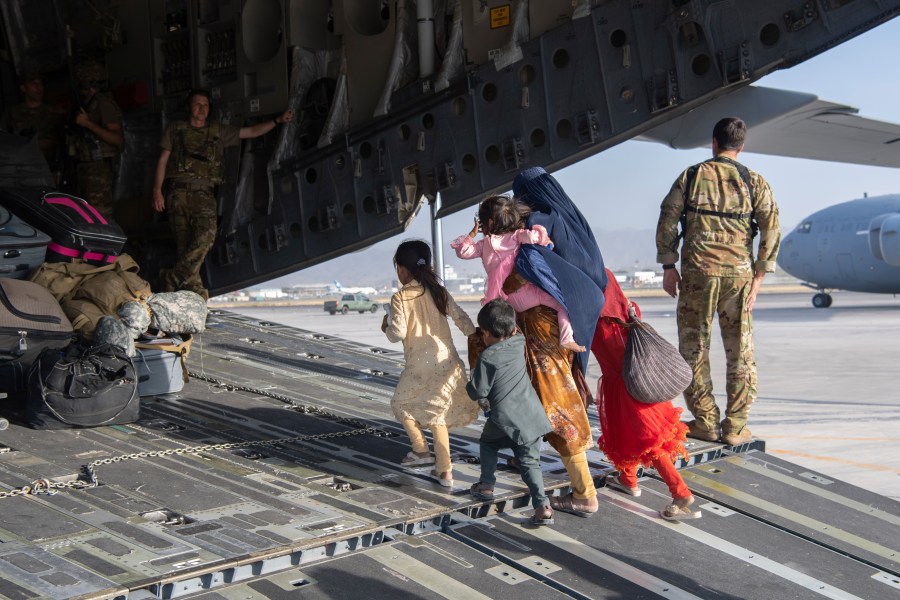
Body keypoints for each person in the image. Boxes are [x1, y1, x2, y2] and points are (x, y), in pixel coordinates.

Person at [490, 166, 608, 518]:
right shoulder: (569, 217)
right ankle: (524, 456)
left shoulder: (538, 223)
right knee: (539, 393)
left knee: (557, 401)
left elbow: (529, 271)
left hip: (544, 326)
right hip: (565, 317)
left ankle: (584, 493)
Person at [656, 117, 781, 446]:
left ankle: (706, 421)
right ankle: (736, 426)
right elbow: (771, 227)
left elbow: (669, 217)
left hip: (698, 275)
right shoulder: (754, 181)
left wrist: (669, 265)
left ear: (714, 143)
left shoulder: (692, 175)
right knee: (740, 352)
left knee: (694, 350)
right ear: (741, 146)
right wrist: (759, 277)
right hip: (738, 278)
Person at [152, 89, 293, 300]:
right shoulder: (176, 129)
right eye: (198, 104)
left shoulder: (218, 131)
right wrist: (157, 191)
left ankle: (171, 277)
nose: (202, 108)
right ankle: (197, 296)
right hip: (178, 193)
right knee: (185, 247)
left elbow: (252, 132)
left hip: (204, 195)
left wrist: (277, 120)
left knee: (206, 238)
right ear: (189, 107)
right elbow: (163, 160)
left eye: (206, 105)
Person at [592, 269, 700, 521]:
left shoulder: (595, 322)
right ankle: (628, 479)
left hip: (626, 391)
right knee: (626, 435)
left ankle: (680, 492)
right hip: (642, 384)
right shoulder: (628, 308)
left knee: (649, 442)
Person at [381, 240, 478, 487]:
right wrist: (475, 335)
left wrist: (386, 327)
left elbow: (398, 333)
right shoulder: (438, 291)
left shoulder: (400, 298)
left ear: (401, 269)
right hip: (448, 362)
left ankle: (421, 451)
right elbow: (461, 318)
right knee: (438, 415)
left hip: (420, 365)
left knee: (400, 404)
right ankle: (444, 471)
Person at [451, 194, 584, 351]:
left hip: (507, 301)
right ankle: (566, 338)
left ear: (489, 223)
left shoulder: (483, 244)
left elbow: (463, 252)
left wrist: (471, 234)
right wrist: (546, 242)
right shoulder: (516, 235)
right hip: (531, 294)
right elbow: (534, 236)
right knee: (563, 306)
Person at [467, 299, 554, 525]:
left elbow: (478, 391)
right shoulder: (519, 340)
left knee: (488, 443)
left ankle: (486, 485)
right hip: (532, 416)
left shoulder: (487, 357)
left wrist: (470, 378)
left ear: (486, 333)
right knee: (530, 463)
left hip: (504, 419)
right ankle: (543, 506)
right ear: (513, 328)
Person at [71, 60, 124, 220]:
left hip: (99, 170)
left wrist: (88, 124)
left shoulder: (103, 103)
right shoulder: (89, 103)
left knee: (100, 218)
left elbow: (117, 139)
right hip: (87, 169)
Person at [0, 72, 63, 169]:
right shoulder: (12, 112)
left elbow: (57, 141)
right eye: (33, 84)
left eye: (40, 84)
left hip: (45, 167)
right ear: (23, 88)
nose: (38, 88)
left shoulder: (53, 113)